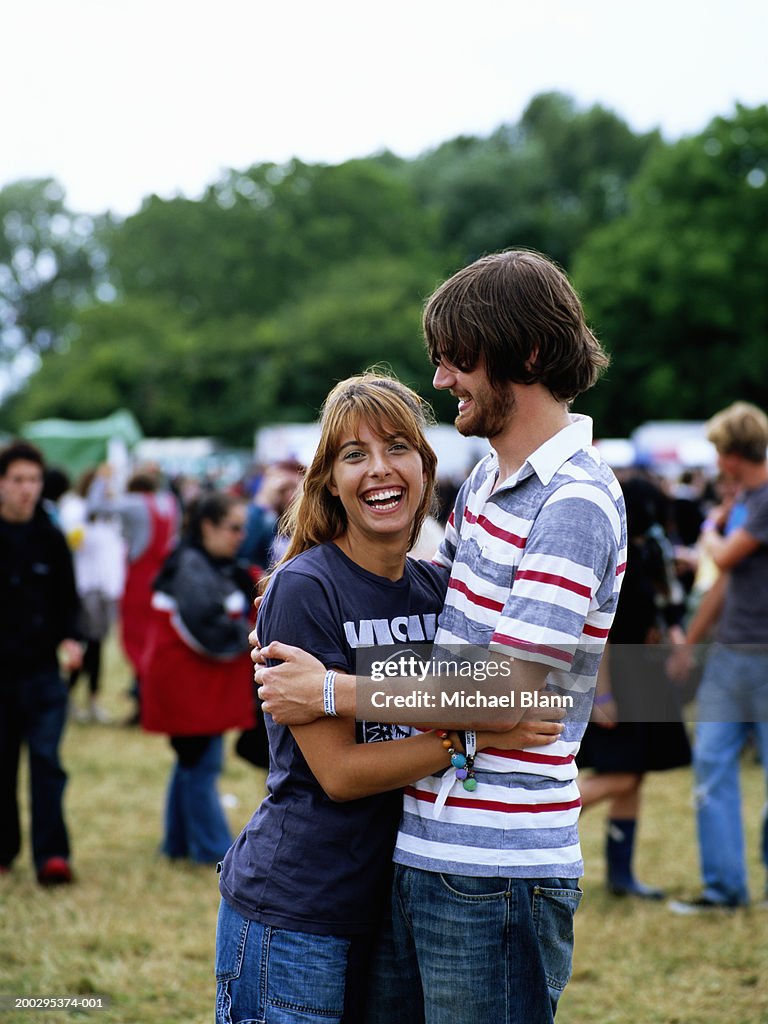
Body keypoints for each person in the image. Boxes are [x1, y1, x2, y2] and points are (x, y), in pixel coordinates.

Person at [255, 249, 626, 1024]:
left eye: (457, 358)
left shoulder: (576, 500)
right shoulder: (487, 481)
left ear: (523, 353)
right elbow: (454, 669)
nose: (442, 380)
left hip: (499, 869)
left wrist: (332, 690)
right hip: (420, 847)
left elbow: (513, 692)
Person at [216, 373, 561, 1024]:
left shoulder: (439, 592)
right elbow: (343, 776)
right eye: (354, 455)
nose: (380, 469)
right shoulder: (304, 589)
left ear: (425, 469)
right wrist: (473, 737)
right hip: (297, 913)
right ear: (330, 482)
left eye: (398, 447)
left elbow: (528, 682)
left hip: (393, 912)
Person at [667, 401, 768, 912]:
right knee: (710, 764)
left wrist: (711, 526)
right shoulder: (748, 501)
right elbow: (725, 586)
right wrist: (692, 639)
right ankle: (724, 888)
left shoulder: (763, 500)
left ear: (730, 455)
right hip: (732, 654)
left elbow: (723, 558)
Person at [577, 475, 691, 899]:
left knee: (634, 775)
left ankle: (622, 877)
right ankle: (540, 819)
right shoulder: (616, 554)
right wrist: (600, 696)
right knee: (620, 775)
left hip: (642, 679)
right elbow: (598, 634)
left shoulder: (647, 552)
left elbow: (663, 606)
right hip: (615, 681)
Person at [141, 492, 256, 864]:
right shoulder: (192, 567)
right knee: (201, 764)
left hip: (196, 686)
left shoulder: (204, 562)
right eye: (234, 528)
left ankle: (176, 842)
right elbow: (207, 627)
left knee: (191, 762)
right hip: (187, 686)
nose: (241, 536)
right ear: (208, 526)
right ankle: (213, 849)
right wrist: (250, 638)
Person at [0, 440, 83, 885]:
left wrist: (71, 638)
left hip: (42, 674)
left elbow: (67, 601)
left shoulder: (51, 537)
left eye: (33, 480)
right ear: (2, 483)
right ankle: (4, 848)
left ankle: (52, 855)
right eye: (17, 480)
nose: (26, 489)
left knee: (47, 763)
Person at [59, 467, 127, 723]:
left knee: (96, 645)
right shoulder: (76, 508)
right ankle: (70, 695)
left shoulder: (111, 513)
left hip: (106, 587)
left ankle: (88, 698)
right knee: (86, 644)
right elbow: (75, 541)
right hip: (85, 587)